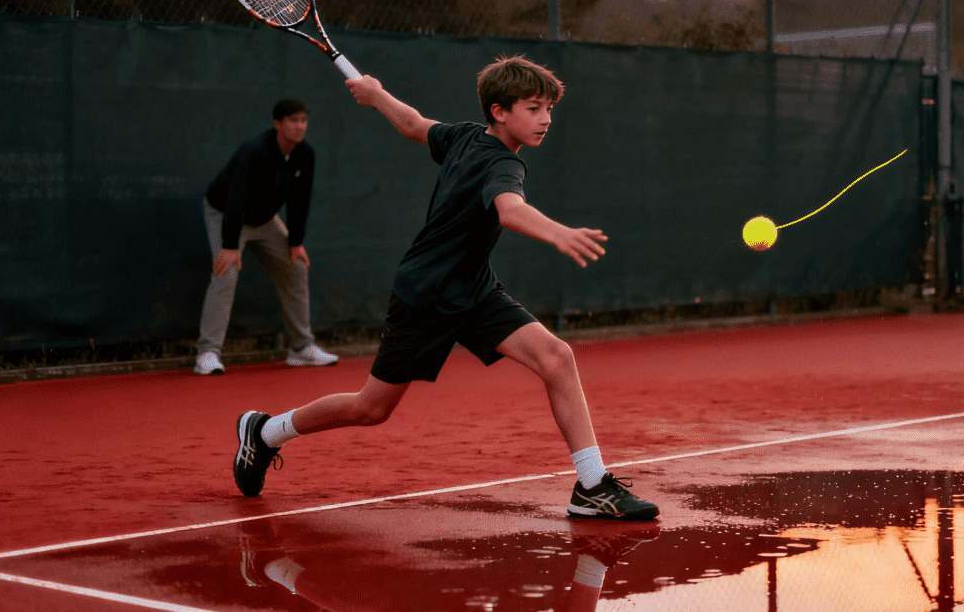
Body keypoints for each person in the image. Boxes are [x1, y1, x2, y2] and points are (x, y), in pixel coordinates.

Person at [230, 55, 659, 521]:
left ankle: (592, 484)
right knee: (371, 408)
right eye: (534, 108)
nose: (546, 120)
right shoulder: (502, 165)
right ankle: (266, 431)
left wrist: (376, 97)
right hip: (426, 294)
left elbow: (413, 124)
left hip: (474, 290)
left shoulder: (463, 136)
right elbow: (509, 209)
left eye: (549, 109)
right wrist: (558, 232)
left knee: (557, 356)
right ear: (499, 111)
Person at [194, 99, 339, 375]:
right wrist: (229, 245)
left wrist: (295, 242)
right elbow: (236, 197)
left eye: (303, 121)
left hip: (264, 218)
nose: (299, 126)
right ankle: (208, 353)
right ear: (277, 124)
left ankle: (300, 348)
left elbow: (299, 200)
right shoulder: (254, 151)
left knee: (296, 266)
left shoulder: (304, 154)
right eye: (293, 120)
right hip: (225, 213)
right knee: (226, 272)